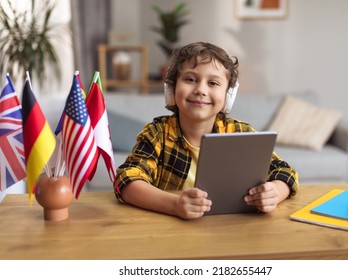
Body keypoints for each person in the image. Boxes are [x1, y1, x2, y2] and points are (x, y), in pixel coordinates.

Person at [114, 42, 299, 219]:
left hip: (230, 229)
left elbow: (285, 171)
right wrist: (174, 205)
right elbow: (127, 180)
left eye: (213, 83)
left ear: (228, 96)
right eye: (190, 79)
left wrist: (275, 192)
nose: (201, 89)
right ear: (171, 88)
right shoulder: (157, 134)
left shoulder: (240, 133)